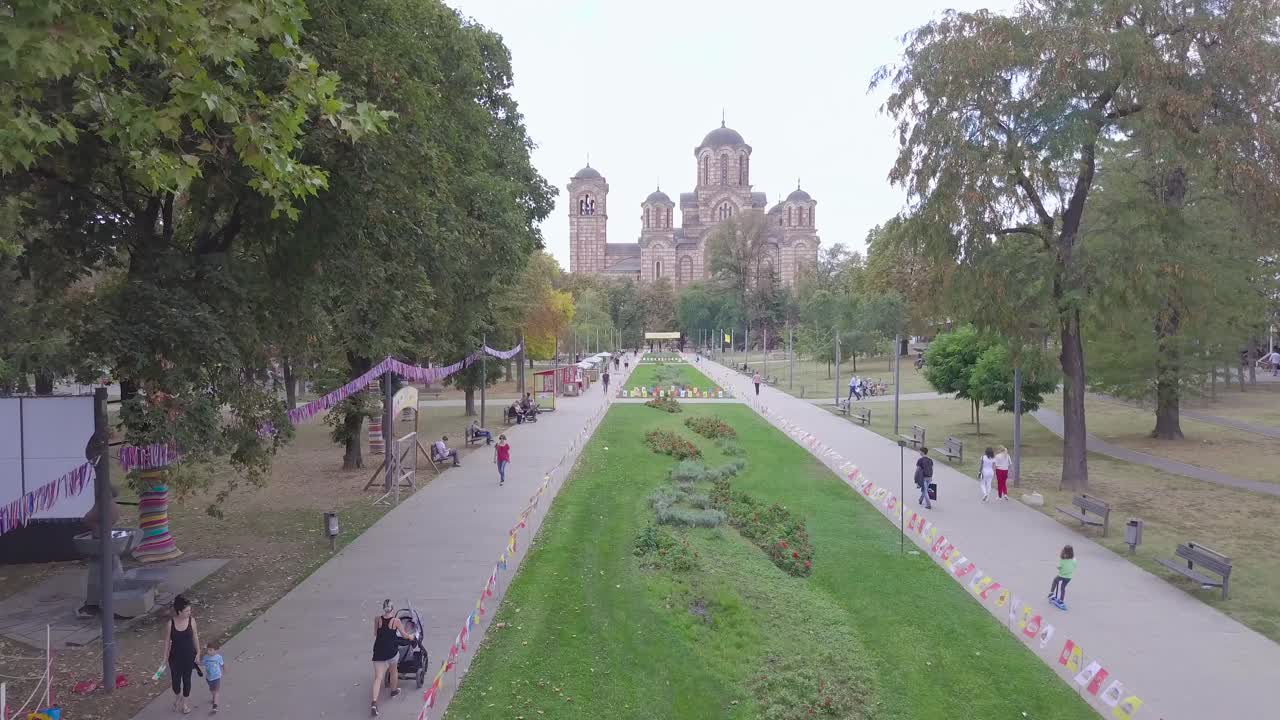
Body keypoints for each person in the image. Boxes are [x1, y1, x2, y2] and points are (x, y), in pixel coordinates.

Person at [161, 595, 200, 714]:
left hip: (189, 657)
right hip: (175, 658)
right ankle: (178, 696)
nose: (189, 612)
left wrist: (198, 652)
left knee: (187, 680)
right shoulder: (170, 624)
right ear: (179, 611)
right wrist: (164, 658)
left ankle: (185, 704)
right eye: (187, 611)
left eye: (190, 610)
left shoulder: (191, 621)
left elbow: (195, 636)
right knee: (176, 683)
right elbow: (167, 641)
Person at [370, 599, 403, 716]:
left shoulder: (377, 619)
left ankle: (374, 703)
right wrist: (411, 637)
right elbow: (404, 634)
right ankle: (393, 691)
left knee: (378, 678)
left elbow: (375, 633)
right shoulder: (396, 621)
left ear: (383, 608)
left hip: (378, 651)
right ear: (392, 609)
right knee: (394, 671)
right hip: (391, 651)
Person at [1049, 545, 1076, 611]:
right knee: (1063, 588)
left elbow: (1060, 567)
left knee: (1055, 580)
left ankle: (1051, 593)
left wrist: (1058, 567)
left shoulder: (1063, 559)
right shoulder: (1074, 559)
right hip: (1069, 577)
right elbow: (1074, 566)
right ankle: (1061, 600)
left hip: (1061, 575)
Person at [202, 641, 225, 714]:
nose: (208, 651)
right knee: (212, 690)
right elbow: (202, 663)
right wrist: (196, 662)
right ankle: (214, 698)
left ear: (216, 650)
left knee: (216, 691)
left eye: (211, 650)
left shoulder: (218, 657)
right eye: (208, 650)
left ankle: (215, 706)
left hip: (217, 677)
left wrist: (225, 670)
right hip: (209, 678)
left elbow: (222, 664)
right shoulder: (205, 657)